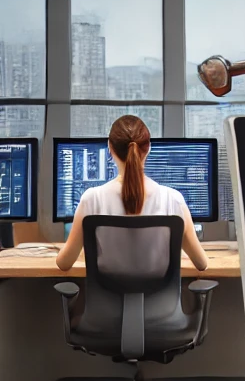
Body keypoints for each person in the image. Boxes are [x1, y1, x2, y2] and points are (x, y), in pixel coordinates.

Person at [56, 115, 207, 273]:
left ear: (110, 148)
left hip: (106, 298)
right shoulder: (173, 200)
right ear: (148, 148)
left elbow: (64, 263)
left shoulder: (92, 199)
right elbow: (201, 263)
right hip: (159, 298)